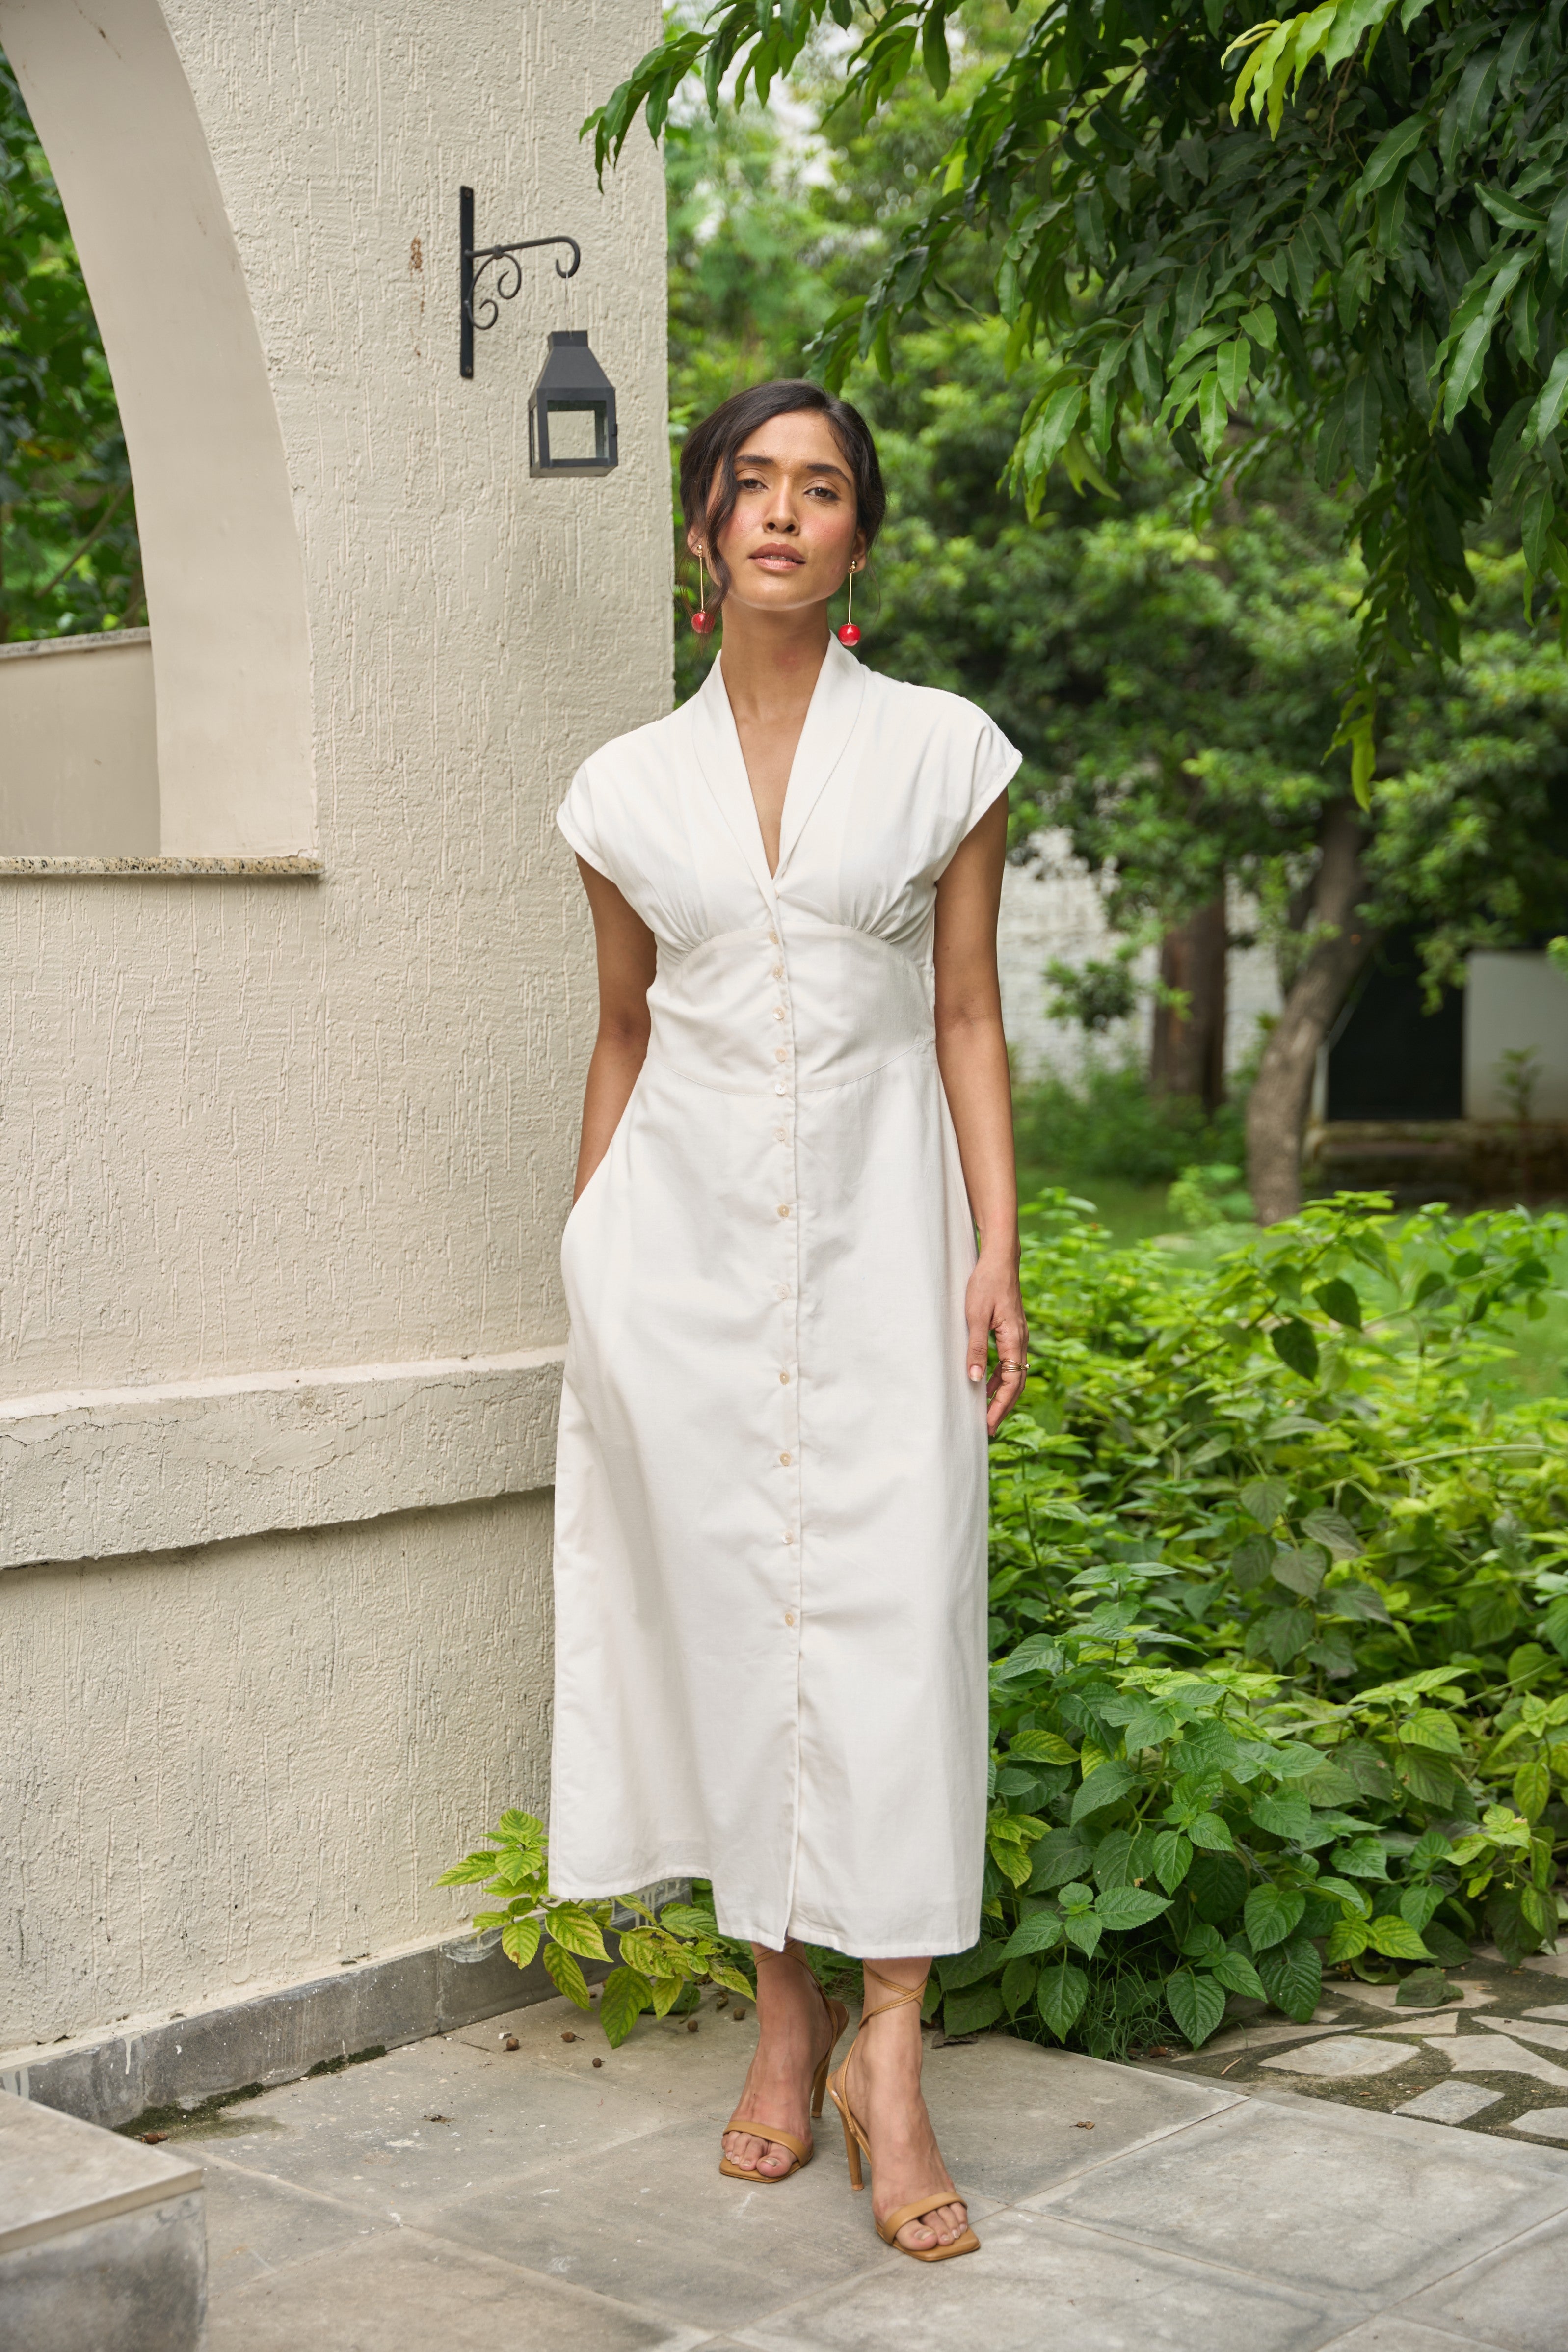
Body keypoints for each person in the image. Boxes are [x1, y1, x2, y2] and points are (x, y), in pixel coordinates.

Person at [550, 379, 1026, 2263]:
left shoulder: (943, 754)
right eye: (748, 484)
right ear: (701, 529)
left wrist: (997, 1251)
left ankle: (888, 2050)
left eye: (818, 489)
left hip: (888, 1248)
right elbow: (622, 1030)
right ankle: (781, 2013)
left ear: (856, 541)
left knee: (902, 1620)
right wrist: (586, 1252)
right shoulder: (619, 790)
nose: (778, 512)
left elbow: (965, 1014)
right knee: (731, 1628)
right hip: (672, 1264)